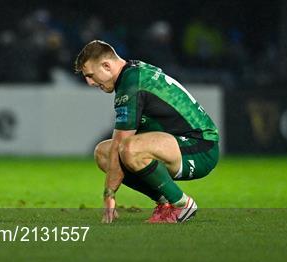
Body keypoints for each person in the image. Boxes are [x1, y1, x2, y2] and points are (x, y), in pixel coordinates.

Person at [74, 40, 219, 224]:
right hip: (177, 143)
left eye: (91, 75)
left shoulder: (132, 84)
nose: (90, 83)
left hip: (200, 147)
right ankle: (165, 202)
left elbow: (121, 144)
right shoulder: (132, 72)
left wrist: (109, 194)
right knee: (103, 153)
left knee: (128, 148)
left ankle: (182, 204)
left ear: (106, 66)